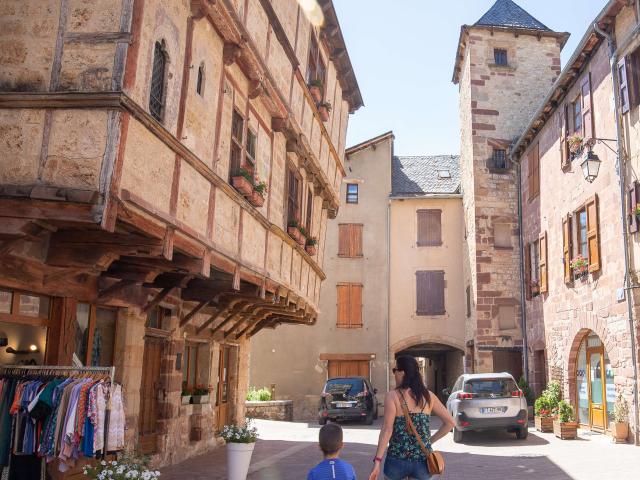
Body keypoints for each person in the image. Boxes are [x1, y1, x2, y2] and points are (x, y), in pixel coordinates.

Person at [368, 355, 455, 480]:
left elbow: (387, 430)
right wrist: (429, 442)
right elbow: (450, 423)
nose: (394, 373)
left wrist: (377, 461)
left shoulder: (393, 396)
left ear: (402, 372)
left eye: (395, 370)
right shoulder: (428, 396)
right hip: (422, 461)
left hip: (396, 460)